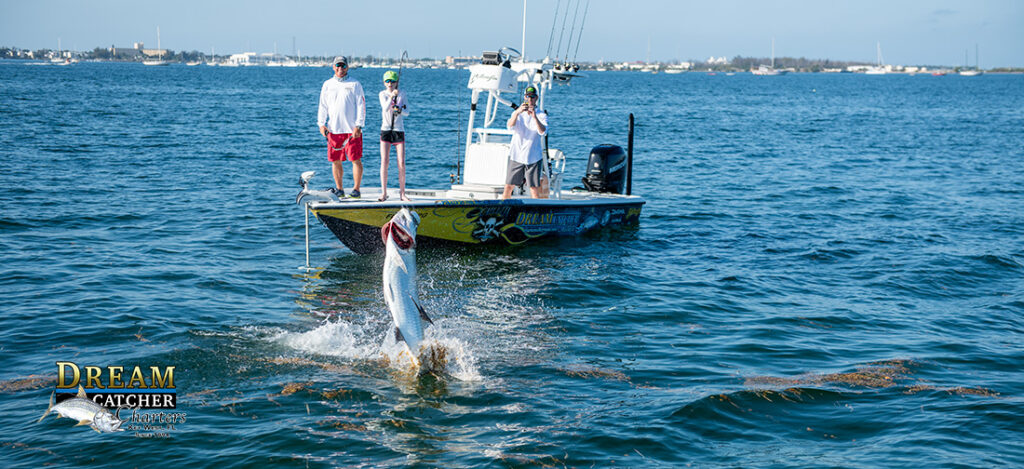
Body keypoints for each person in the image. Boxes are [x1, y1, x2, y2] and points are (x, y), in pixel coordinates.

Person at [317, 55, 366, 198]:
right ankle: (340, 189)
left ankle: (356, 190)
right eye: (337, 66)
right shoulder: (327, 84)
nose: (340, 68)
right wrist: (321, 124)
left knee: (355, 159)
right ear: (333, 67)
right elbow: (322, 106)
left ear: (347, 67)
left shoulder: (355, 84)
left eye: (343, 66)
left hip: (352, 131)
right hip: (333, 130)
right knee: (335, 160)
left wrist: (358, 125)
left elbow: (361, 105)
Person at [502, 86, 548, 200]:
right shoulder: (518, 113)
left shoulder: (541, 115)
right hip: (516, 155)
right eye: (528, 96)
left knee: (533, 188)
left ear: (536, 98)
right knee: (508, 186)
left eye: (532, 97)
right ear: (525, 97)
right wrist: (517, 112)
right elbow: (510, 126)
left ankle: (536, 213)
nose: (530, 99)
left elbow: (543, 132)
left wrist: (534, 117)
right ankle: (502, 208)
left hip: (533, 156)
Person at [378, 70, 411, 201]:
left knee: (401, 162)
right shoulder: (382, 94)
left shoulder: (402, 94)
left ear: (397, 82)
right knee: (384, 161)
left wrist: (400, 110)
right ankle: (384, 192)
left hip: (398, 130)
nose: (390, 83)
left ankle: (402, 193)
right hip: (386, 130)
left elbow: (407, 112)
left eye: (392, 81)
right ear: (384, 82)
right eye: (387, 81)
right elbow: (385, 107)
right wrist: (392, 96)